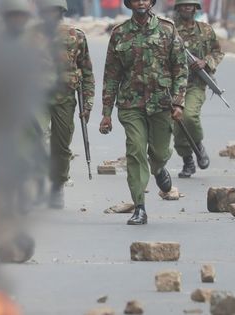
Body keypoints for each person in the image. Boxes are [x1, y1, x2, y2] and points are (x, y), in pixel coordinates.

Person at [99, 0, 188, 225]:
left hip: (161, 104)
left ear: (151, 2)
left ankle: (158, 168)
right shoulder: (119, 34)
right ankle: (139, 207)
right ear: (129, 3)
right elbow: (111, 75)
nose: (141, 1)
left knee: (158, 153)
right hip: (131, 105)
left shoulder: (167, 29)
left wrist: (178, 103)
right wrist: (106, 112)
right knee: (136, 151)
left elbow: (180, 68)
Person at [29, 0, 95, 209]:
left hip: (65, 99)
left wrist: (88, 102)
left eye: (53, 10)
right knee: (34, 137)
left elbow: (87, 72)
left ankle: (57, 185)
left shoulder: (76, 36)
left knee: (61, 145)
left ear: (60, 11)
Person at [173, 0, 224, 178]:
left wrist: (205, 62)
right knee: (177, 123)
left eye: (191, 4)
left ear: (195, 8)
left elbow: (218, 52)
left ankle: (198, 146)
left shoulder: (206, 30)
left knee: (189, 116)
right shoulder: (169, 30)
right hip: (172, 86)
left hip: (195, 84)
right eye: (184, 4)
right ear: (178, 8)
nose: (187, 7)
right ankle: (188, 160)